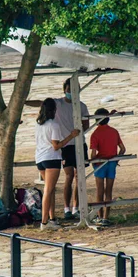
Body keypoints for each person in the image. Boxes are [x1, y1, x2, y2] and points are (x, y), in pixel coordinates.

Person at [26, 78, 89, 220]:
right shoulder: (58, 105)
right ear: (64, 90)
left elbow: (86, 124)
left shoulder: (82, 106)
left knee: (79, 177)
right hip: (63, 147)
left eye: (75, 90)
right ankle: (64, 209)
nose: (72, 93)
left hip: (78, 144)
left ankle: (75, 208)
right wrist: (23, 101)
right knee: (68, 177)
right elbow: (42, 103)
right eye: (69, 90)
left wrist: (78, 134)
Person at [35, 98, 80, 231]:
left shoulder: (38, 124)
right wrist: (71, 136)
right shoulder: (54, 125)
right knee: (48, 190)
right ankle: (44, 222)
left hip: (40, 158)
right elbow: (56, 146)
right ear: (53, 110)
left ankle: (52, 218)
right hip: (51, 158)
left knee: (51, 189)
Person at [90, 108, 125, 226]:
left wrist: (93, 162)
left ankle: (99, 216)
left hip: (100, 164)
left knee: (99, 191)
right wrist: (116, 160)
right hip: (111, 163)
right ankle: (106, 217)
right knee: (109, 191)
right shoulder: (114, 131)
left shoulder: (95, 134)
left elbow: (93, 154)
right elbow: (123, 149)